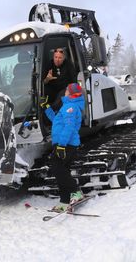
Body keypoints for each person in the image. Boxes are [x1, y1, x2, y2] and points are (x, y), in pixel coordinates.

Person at [41, 82, 85, 212]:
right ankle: (64, 201)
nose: (65, 91)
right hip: (65, 144)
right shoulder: (68, 106)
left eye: (67, 89)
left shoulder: (70, 107)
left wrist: (61, 145)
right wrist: (47, 107)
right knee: (61, 171)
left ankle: (76, 192)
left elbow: (69, 127)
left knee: (58, 168)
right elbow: (57, 120)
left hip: (66, 144)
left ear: (70, 93)